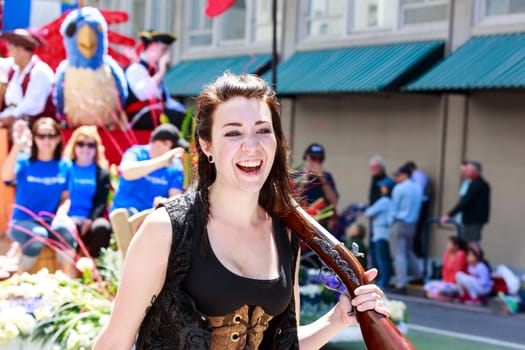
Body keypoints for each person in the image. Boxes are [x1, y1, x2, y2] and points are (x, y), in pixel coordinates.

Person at [93, 73, 389, 349]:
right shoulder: (166, 229)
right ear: (206, 144)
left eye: (263, 130)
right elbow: (115, 341)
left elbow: (284, 343)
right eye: (233, 133)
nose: (251, 146)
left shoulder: (286, 231)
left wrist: (337, 319)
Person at [1, 118, 75, 274]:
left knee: (66, 231)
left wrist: (61, 214)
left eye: (51, 135)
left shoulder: (65, 164)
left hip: (50, 221)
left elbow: (65, 197)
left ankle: (64, 281)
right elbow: (6, 177)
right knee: (37, 236)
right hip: (22, 222)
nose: (46, 140)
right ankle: (20, 281)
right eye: (41, 136)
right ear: (34, 138)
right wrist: (17, 146)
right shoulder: (24, 161)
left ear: (58, 138)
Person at [111, 123, 187, 215]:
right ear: (159, 144)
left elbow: (175, 195)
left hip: (152, 218)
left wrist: (166, 202)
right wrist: (161, 162)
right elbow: (126, 172)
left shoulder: (176, 166)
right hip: (123, 213)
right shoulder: (135, 153)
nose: (174, 154)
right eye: (172, 148)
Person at [63, 126, 111, 258]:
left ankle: (98, 267)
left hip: (89, 218)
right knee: (73, 226)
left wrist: (90, 220)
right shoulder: (65, 167)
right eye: (81, 144)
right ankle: (70, 266)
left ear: (96, 148)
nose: (86, 148)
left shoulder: (101, 173)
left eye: (91, 145)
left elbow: (101, 202)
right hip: (68, 216)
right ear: (74, 146)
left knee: (102, 227)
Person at [124, 30, 186, 129]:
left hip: (157, 114)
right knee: (178, 119)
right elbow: (143, 94)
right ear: (150, 48)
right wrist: (161, 71)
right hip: (140, 116)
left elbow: (166, 101)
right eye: (163, 50)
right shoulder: (135, 69)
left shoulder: (154, 72)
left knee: (187, 119)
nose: (166, 55)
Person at [0, 29, 55, 128]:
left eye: (11, 44)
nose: (8, 48)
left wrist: (9, 117)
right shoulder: (14, 69)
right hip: (10, 121)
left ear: (21, 49)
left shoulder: (40, 71)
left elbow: (32, 106)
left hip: (35, 129)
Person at [389, 164, 423, 293]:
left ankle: (401, 283)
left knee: (399, 254)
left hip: (399, 222)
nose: (395, 178)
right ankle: (418, 275)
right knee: (409, 251)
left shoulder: (399, 188)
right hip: (412, 223)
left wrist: (390, 222)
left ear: (405, 175)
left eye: (397, 175)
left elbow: (394, 208)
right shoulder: (417, 188)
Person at [441, 161, 490, 243]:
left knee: (472, 244)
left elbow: (465, 201)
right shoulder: (474, 183)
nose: (464, 172)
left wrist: (449, 214)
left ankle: (474, 256)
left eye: (467, 170)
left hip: (473, 220)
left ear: (474, 171)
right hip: (471, 219)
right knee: (468, 243)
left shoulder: (477, 184)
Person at [294, 143, 339, 229]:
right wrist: (305, 179)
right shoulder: (297, 175)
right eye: (313, 158)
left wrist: (322, 178)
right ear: (306, 158)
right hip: (300, 223)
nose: (316, 162)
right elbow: (290, 201)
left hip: (321, 225)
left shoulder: (327, 176)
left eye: (320, 160)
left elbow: (334, 202)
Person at [364, 176, 395, 289]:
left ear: (387, 189)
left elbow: (369, 212)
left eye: (383, 186)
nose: (381, 188)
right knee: (385, 259)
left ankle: (383, 282)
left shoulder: (384, 201)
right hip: (386, 234)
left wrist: (374, 216)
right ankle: (385, 281)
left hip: (380, 234)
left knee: (382, 259)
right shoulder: (392, 201)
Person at [424, 235, 468, 301]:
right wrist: (445, 282)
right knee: (427, 286)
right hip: (447, 282)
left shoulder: (461, 254)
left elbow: (457, 272)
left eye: (449, 244)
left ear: (456, 246)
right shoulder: (447, 254)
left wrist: (448, 284)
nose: (447, 245)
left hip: (457, 284)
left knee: (440, 290)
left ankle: (446, 296)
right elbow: (444, 270)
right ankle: (443, 296)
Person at [405, 161, 433, 257]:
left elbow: (418, 191)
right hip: (421, 203)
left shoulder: (417, 176)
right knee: (417, 230)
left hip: (421, 204)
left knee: (417, 229)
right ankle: (417, 251)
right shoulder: (420, 175)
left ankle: (418, 251)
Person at [367, 154, 388, 269]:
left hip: (381, 220)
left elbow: (382, 202)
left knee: (379, 248)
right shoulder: (374, 179)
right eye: (372, 168)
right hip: (373, 218)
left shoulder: (384, 181)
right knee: (373, 247)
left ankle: (380, 274)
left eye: (376, 168)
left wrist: (372, 212)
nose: (373, 170)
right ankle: (374, 270)